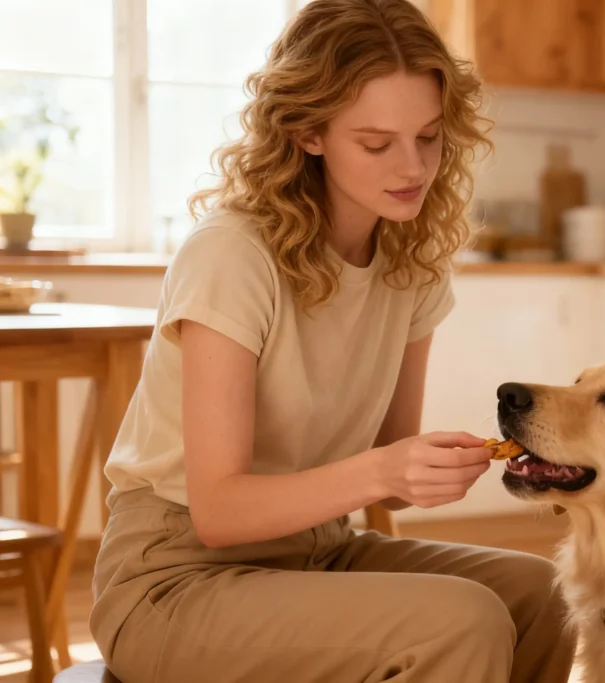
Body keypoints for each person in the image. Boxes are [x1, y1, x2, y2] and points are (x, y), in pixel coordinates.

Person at [87, 1, 578, 681]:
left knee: (543, 593)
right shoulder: (232, 255)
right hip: (174, 579)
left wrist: (427, 466)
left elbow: (391, 473)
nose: (412, 167)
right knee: (462, 619)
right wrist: (383, 470)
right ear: (309, 132)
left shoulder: (412, 261)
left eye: (430, 137)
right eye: (376, 143)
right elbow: (220, 510)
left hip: (316, 551)